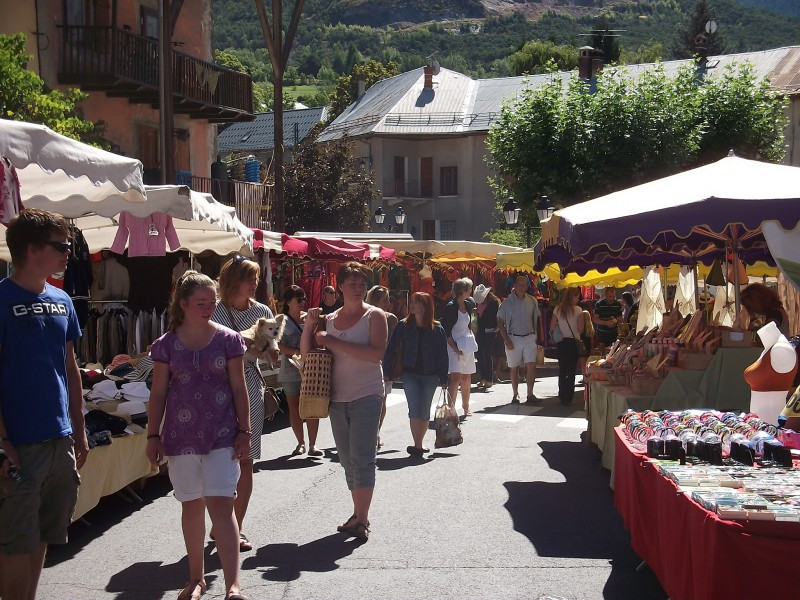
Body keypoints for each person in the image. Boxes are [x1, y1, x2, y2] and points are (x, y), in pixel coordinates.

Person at [0, 209, 89, 600]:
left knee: (43, 535)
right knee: (15, 541)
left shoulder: (62, 299)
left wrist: (80, 430)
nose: (68, 252)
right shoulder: (2, 299)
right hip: (19, 443)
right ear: (33, 249)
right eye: (61, 246)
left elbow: (70, 366)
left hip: (60, 439)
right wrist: (2, 441)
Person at [146, 271, 251, 600]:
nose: (208, 308)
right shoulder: (165, 345)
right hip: (181, 437)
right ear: (184, 304)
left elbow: (239, 387)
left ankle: (233, 584)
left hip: (222, 433)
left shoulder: (229, 339)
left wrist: (245, 430)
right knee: (191, 507)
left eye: (212, 302)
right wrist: (152, 435)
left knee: (222, 506)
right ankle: (196, 579)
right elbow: (159, 393)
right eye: (201, 303)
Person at [301, 262, 387, 542]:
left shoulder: (375, 316)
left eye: (362, 284)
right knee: (348, 460)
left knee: (363, 459)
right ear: (340, 287)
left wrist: (332, 341)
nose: (359, 288)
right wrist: (310, 327)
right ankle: (357, 513)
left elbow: (375, 355)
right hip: (336, 397)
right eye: (352, 284)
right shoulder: (329, 319)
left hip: (367, 394)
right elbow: (308, 355)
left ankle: (362, 519)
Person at [211, 255, 277, 552]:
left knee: (246, 460)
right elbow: (212, 346)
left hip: (250, 385)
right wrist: (246, 344)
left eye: (256, 278)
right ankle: (220, 521)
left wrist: (268, 351)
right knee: (218, 459)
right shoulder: (214, 309)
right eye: (250, 278)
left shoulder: (263, 311)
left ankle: (234, 527)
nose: (255, 283)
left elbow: (271, 354)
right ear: (233, 280)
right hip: (215, 388)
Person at [383, 292, 449, 456]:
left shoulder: (437, 328)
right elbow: (391, 348)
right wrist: (386, 371)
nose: (412, 305)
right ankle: (417, 445)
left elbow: (442, 354)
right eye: (411, 302)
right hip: (410, 374)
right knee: (414, 408)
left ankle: (419, 443)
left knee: (424, 409)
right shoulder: (403, 325)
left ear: (426, 306)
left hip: (430, 375)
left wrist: (444, 377)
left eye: (417, 302)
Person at [277, 285, 321, 457]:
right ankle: (300, 443)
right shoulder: (281, 320)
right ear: (288, 302)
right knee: (294, 407)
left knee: (312, 405)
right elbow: (277, 344)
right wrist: (296, 352)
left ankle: (313, 444)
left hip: (309, 368)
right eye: (299, 300)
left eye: (304, 299)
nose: (303, 303)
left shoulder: (308, 318)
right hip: (290, 368)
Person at [497, 274, 541, 404]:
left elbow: (536, 319)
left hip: (529, 337)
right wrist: (506, 340)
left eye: (525, 285)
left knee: (531, 365)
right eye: (520, 285)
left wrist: (537, 338)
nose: (522, 288)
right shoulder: (507, 303)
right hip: (513, 337)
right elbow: (500, 322)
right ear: (514, 286)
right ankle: (515, 394)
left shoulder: (532, 301)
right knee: (514, 367)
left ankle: (530, 394)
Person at [366, 285, 398, 448]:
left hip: (385, 365)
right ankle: (366, 433)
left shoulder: (391, 318)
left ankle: (376, 433)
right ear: (376, 301)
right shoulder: (365, 317)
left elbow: (394, 346)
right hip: (366, 364)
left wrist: (390, 368)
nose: (388, 303)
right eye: (385, 299)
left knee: (381, 401)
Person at [441, 277, 477, 416]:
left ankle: (466, 406)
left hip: (466, 345)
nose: (471, 291)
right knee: (455, 378)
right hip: (453, 345)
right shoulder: (450, 307)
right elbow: (446, 330)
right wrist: (454, 347)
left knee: (467, 377)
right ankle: (451, 409)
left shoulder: (468, 304)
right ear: (464, 290)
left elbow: (470, 323)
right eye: (469, 289)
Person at [550, 288, 585, 405]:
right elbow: (581, 329)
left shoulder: (557, 309)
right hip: (573, 342)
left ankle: (562, 395)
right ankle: (568, 397)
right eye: (577, 296)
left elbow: (552, 327)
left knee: (562, 369)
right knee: (571, 371)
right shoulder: (578, 310)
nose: (578, 299)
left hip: (561, 343)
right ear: (572, 297)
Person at [474, 284, 500, 390]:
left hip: (490, 331)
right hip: (480, 331)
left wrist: (497, 328)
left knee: (487, 353)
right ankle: (483, 377)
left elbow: (499, 317)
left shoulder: (494, 303)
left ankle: (489, 379)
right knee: (479, 353)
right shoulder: (477, 303)